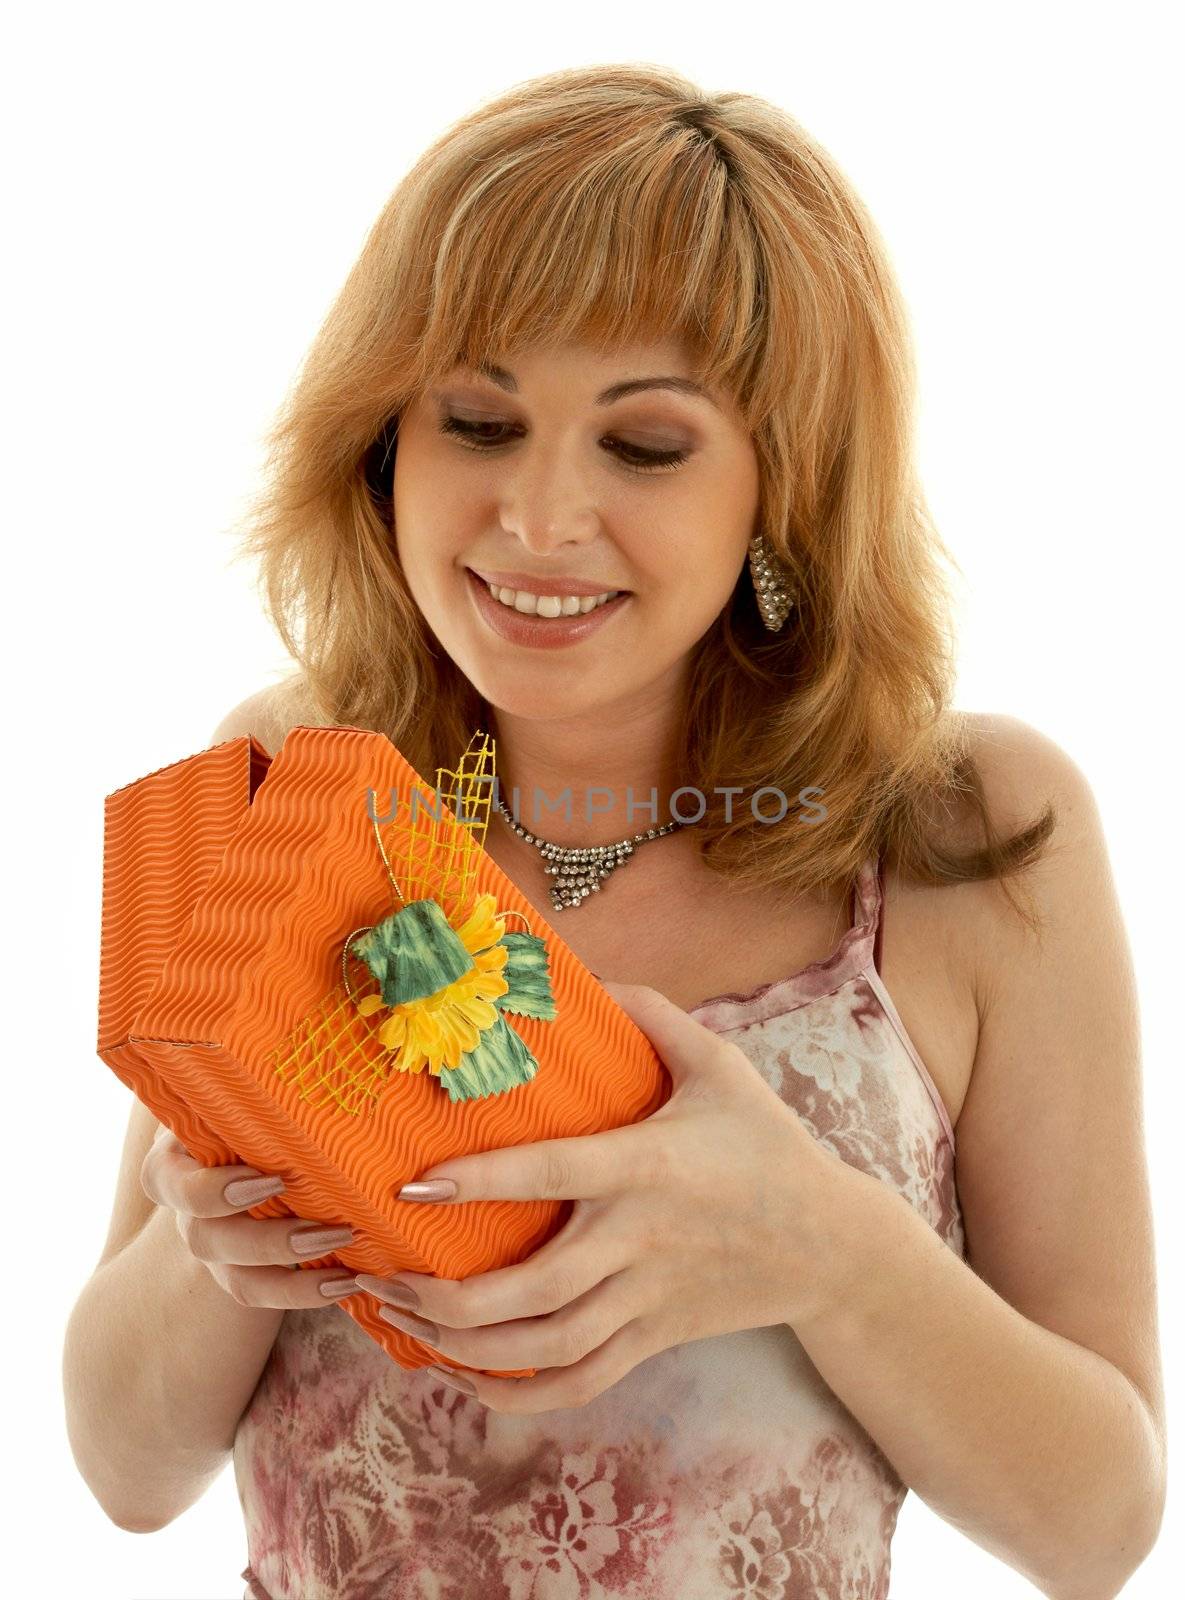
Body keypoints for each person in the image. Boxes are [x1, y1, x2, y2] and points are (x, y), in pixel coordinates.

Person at [64, 61, 1166, 1600]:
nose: (534, 517)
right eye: (475, 420)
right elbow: (121, 1474)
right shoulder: (289, 776)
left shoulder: (966, 830)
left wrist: (825, 1250)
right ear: (383, 444)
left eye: (643, 446)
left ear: (786, 485)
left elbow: (1099, 1524)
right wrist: (212, 1247)